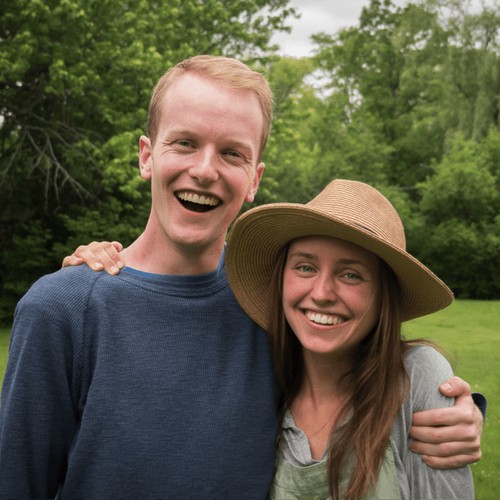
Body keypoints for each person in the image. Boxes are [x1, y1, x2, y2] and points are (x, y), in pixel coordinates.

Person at [0, 55, 481, 497]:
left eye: (232, 153)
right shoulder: (64, 310)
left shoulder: (274, 301)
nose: (205, 170)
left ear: (254, 178)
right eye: (185, 143)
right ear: (147, 155)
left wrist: (456, 412)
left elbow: (361, 370)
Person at [224, 178, 475, 499]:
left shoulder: (416, 379)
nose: (322, 293)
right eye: (305, 267)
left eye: (351, 274)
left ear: (383, 296)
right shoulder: (265, 386)